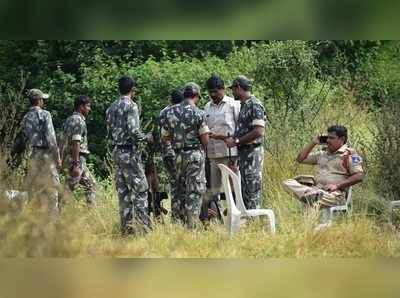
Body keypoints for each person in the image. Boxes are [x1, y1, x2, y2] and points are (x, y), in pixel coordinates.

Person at [106, 76, 151, 235]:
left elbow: (110, 131)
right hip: (130, 153)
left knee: (123, 193)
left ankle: (126, 230)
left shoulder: (111, 107)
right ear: (133, 89)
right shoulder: (131, 106)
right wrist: (147, 138)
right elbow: (133, 131)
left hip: (117, 151)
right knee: (140, 191)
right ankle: (143, 230)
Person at [161, 82, 210, 228]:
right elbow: (205, 140)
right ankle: (192, 228)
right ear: (196, 96)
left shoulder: (170, 112)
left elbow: (165, 136)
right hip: (194, 155)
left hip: (177, 156)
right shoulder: (199, 113)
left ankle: (178, 224)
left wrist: (178, 139)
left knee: (180, 190)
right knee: (194, 191)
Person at [283, 125, 364, 208]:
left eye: (332, 138)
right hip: (316, 189)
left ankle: (312, 197)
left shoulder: (350, 154)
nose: (328, 140)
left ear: (342, 139)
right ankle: (311, 196)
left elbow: (359, 176)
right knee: (287, 183)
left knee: (320, 196)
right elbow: (300, 159)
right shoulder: (322, 153)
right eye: (327, 137)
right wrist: (313, 143)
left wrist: (337, 185)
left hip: (333, 195)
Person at [202, 75, 240, 222]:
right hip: (213, 155)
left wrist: (227, 139)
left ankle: (234, 217)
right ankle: (217, 220)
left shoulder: (233, 104)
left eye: (216, 92)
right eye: (210, 92)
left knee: (232, 188)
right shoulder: (207, 106)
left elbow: (239, 127)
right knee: (214, 190)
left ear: (223, 89)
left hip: (230, 154)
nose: (213, 95)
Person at [225, 75, 266, 210]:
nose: (232, 92)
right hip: (244, 154)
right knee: (244, 190)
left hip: (252, 154)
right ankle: (247, 222)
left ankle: (253, 225)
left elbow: (259, 131)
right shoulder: (244, 105)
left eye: (233, 89)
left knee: (251, 190)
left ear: (238, 87)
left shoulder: (254, 105)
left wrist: (236, 141)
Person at [21, 88, 61, 215]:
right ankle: (53, 221)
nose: (43, 101)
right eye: (42, 99)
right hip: (45, 155)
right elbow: (51, 138)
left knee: (34, 189)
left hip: (32, 155)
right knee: (53, 189)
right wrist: (57, 157)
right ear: (38, 100)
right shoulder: (45, 114)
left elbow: (23, 139)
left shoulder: (25, 117)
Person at [59, 95, 96, 205]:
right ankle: (54, 213)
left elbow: (61, 140)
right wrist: (76, 164)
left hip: (74, 158)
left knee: (91, 185)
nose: (89, 109)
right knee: (68, 189)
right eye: (88, 106)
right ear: (81, 106)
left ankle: (90, 216)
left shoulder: (69, 119)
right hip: (76, 159)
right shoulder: (78, 121)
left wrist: (60, 158)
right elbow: (76, 142)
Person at [158, 88, 185, 222]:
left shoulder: (163, 112)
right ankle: (181, 216)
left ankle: (175, 217)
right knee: (182, 184)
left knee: (174, 184)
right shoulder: (181, 111)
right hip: (177, 152)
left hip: (165, 152)